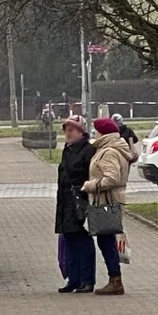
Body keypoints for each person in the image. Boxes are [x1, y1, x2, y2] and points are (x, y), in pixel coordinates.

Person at [83, 117, 130, 295]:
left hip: (108, 200)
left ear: (102, 133)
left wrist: (90, 185)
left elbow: (112, 178)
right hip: (111, 199)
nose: (94, 133)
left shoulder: (109, 152)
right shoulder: (113, 148)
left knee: (106, 240)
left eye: (96, 130)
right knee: (107, 240)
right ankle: (114, 278)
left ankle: (115, 280)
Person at [55, 115, 96, 293]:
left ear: (81, 131)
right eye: (66, 130)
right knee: (69, 240)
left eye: (71, 130)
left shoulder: (88, 150)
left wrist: (84, 192)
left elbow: (91, 175)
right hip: (65, 201)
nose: (68, 133)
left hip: (80, 201)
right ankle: (73, 279)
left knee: (83, 241)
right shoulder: (68, 149)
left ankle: (87, 280)